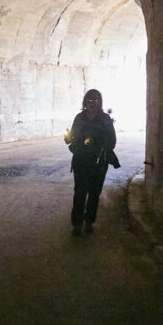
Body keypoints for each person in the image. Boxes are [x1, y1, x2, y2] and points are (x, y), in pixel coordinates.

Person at [64, 88, 118, 235]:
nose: (92, 103)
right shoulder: (79, 118)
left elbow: (112, 140)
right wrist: (69, 139)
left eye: (95, 100)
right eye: (90, 99)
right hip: (81, 161)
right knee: (80, 192)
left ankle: (88, 222)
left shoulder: (105, 119)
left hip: (98, 163)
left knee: (94, 193)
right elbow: (72, 137)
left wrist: (100, 149)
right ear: (85, 101)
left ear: (100, 102)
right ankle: (77, 224)